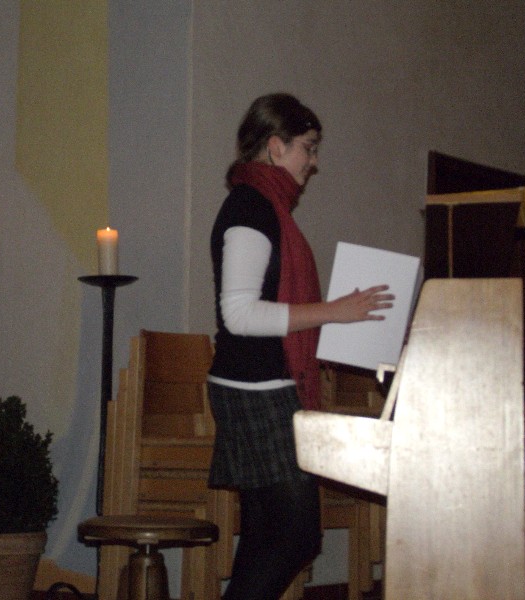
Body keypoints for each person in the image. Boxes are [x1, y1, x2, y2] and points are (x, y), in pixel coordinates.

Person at [207, 92, 395, 599]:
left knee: (267, 536)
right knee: (296, 535)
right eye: (308, 148)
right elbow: (239, 314)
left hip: (258, 386)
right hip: (256, 391)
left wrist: (343, 324)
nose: (314, 162)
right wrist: (334, 311)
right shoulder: (251, 208)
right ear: (276, 146)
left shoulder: (264, 206)